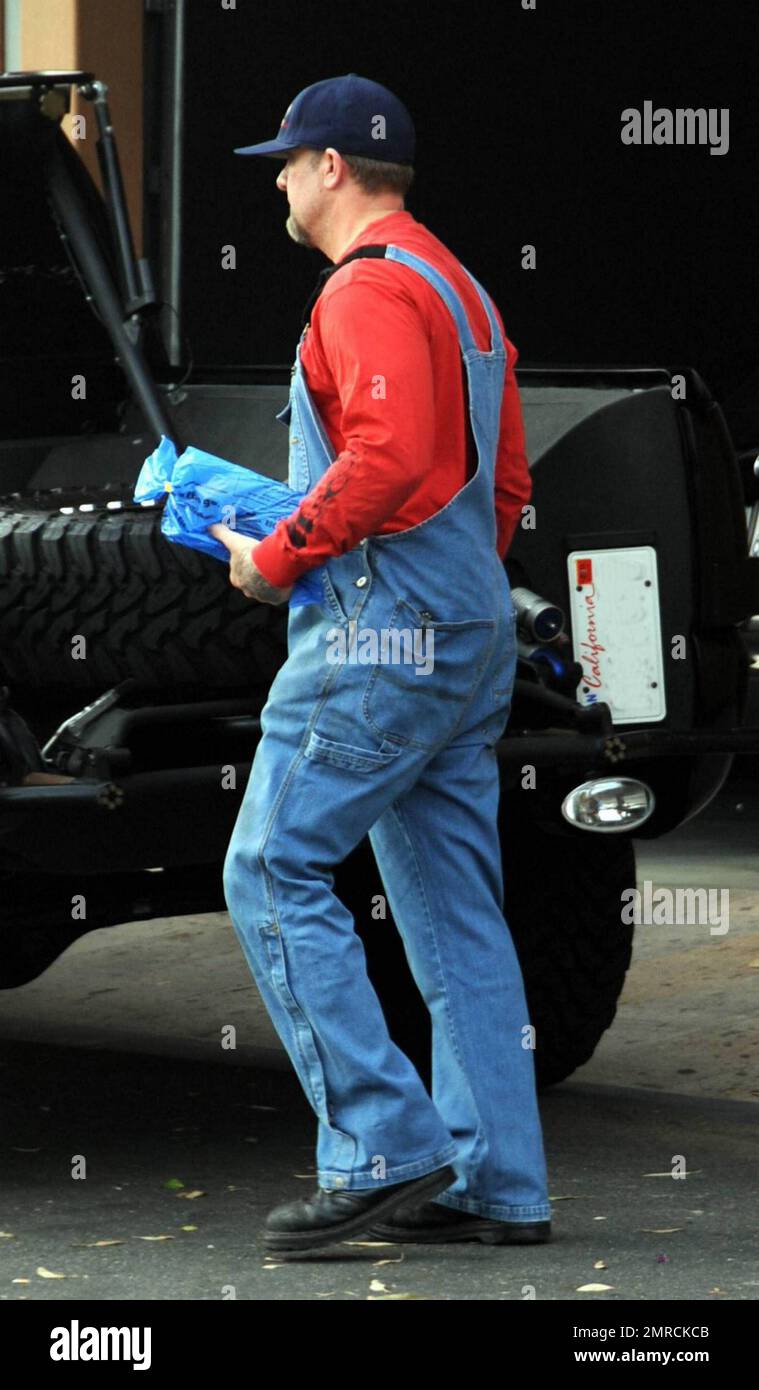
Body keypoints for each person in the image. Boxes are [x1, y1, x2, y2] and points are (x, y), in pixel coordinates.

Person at [211, 73, 551, 1257]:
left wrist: (280, 556)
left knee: (268, 864)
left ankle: (382, 1145)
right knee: (458, 912)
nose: (279, 179)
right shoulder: (461, 290)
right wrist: (453, 591)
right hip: (466, 631)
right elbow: (501, 478)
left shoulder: (359, 291)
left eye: (289, 161)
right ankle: (498, 1177)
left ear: (335, 171)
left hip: (377, 638)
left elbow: (390, 455)